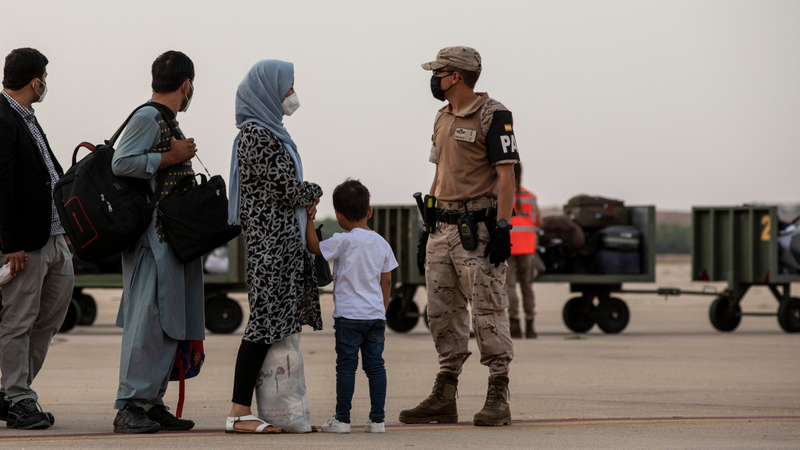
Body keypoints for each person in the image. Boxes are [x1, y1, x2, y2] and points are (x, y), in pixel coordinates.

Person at [400, 46, 520, 427]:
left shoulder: (493, 114)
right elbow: (439, 174)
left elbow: (506, 175)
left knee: (487, 310)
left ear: (458, 76)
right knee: (441, 312)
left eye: (440, 71)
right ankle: (445, 392)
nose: (434, 78)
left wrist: (503, 228)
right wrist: (428, 224)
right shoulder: (442, 116)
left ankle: (498, 391)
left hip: (479, 231)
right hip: (442, 228)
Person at [224, 59, 323, 434]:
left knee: (277, 326)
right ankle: (237, 413)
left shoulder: (272, 133)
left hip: (283, 245)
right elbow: (285, 188)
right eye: (288, 86)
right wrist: (313, 191)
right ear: (267, 90)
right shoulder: (256, 135)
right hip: (271, 248)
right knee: (263, 325)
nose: (292, 94)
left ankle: (285, 412)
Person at [110, 50, 203, 434]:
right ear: (186, 84)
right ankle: (128, 405)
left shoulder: (168, 120)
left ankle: (151, 401)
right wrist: (169, 156)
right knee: (146, 324)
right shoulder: (148, 117)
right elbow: (121, 162)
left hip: (171, 242)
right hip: (152, 241)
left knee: (168, 324)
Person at [0, 47, 73, 430]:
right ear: (36, 81)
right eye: (45, 77)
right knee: (19, 320)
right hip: (25, 242)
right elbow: (3, 185)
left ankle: (11, 391)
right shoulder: (3, 118)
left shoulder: (27, 117)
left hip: (54, 236)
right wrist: (11, 243)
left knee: (49, 318)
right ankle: (18, 398)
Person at [305, 179, 398, 434]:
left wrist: (309, 218)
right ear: (369, 211)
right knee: (376, 367)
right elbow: (387, 279)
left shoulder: (342, 241)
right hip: (375, 316)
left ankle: (343, 420)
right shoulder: (381, 243)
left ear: (338, 214)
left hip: (348, 317)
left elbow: (314, 247)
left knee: (346, 367)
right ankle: (377, 421)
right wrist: (382, 309)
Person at [507, 163, 541, 339]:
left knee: (510, 286)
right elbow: (537, 222)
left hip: (508, 247)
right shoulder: (531, 197)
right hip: (527, 248)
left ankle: (514, 324)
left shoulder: (502, 195)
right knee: (527, 287)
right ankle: (530, 325)